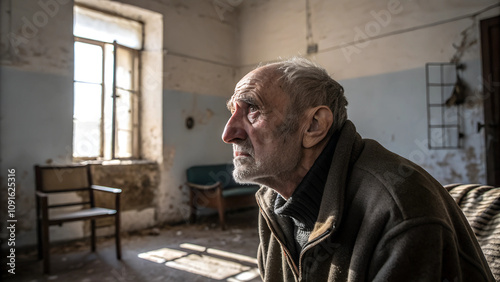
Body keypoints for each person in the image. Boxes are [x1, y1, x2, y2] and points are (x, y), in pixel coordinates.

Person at [221, 57, 494, 281]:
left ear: (314, 125)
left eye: (253, 110)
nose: (228, 133)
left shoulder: (399, 210)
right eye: (232, 111)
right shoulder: (274, 199)